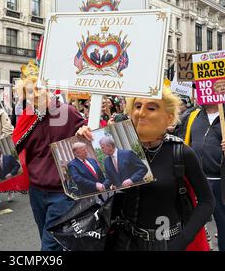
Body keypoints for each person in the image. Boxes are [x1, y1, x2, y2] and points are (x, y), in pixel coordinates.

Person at [78, 88, 215, 250]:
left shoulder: (180, 152)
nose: (141, 113)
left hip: (166, 243)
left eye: (151, 108)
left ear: (168, 117)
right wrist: (81, 141)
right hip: (125, 242)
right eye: (137, 106)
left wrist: (180, 242)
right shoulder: (119, 149)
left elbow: (207, 202)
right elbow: (88, 186)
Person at [11, 60, 85, 251]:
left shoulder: (68, 112)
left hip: (63, 192)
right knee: (49, 240)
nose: (34, 95)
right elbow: (10, 152)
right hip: (36, 191)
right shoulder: (26, 118)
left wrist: (85, 131)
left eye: (37, 89)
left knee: (49, 246)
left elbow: (90, 138)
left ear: (48, 89)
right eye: (28, 91)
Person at [179, 102, 225, 251]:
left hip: (219, 181)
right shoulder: (192, 116)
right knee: (193, 225)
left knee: (223, 223)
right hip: (195, 180)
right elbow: (183, 142)